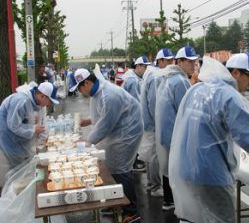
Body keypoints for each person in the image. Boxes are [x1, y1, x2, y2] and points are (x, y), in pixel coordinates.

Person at [169, 54, 249, 223]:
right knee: (220, 218)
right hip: (212, 173)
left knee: (194, 218)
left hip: (187, 167)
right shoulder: (229, 96)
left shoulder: (197, 89)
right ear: (236, 73)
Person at [69, 69, 143, 223]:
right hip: (117, 129)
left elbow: (106, 124)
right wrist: (89, 121)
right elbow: (102, 115)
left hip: (127, 132)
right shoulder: (96, 93)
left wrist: (87, 142)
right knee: (109, 166)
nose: (79, 91)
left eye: (79, 88)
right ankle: (115, 202)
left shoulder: (109, 95)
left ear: (87, 82)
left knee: (121, 169)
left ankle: (131, 211)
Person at [155, 46, 198, 210]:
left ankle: (169, 200)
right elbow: (187, 110)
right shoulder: (180, 81)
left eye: (195, 61)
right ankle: (179, 203)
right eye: (189, 61)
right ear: (179, 62)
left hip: (166, 133)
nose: (193, 65)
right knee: (178, 169)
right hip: (176, 134)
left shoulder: (167, 78)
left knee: (168, 167)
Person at [0, 82, 59, 187]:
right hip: (9, 139)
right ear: (42, 96)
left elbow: (41, 123)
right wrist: (33, 129)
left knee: (25, 166)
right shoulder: (21, 100)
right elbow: (13, 125)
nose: (49, 104)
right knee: (17, 171)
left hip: (20, 140)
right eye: (49, 100)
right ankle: (14, 196)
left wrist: (45, 138)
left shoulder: (37, 104)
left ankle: (23, 191)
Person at [140, 48, 174, 197]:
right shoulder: (155, 77)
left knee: (150, 155)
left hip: (150, 122)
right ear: (159, 61)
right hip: (154, 123)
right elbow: (154, 103)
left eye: (172, 60)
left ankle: (150, 184)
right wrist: (159, 122)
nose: (170, 63)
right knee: (154, 155)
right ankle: (155, 187)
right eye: (167, 61)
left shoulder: (153, 74)